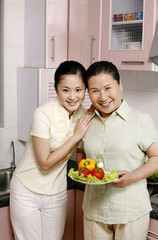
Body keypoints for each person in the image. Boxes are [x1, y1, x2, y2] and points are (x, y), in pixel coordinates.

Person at [10, 60, 93, 240]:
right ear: (56, 89)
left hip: (56, 193)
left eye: (78, 90)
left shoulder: (83, 115)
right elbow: (45, 163)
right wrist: (76, 136)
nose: (72, 97)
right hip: (27, 191)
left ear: (85, 90)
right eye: (66, 90)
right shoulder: (43, 113)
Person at [76, 61, 158, 240]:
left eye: (108, 88)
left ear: (120, 85)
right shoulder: (86, 121)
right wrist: (84, 169)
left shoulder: (140, 120)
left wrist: (133, 176)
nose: (103, 97)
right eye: (95, 91)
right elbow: (81, 152)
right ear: (88, 93)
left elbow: (156, 157)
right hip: (94, 210)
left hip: (130, 211)